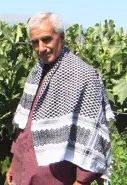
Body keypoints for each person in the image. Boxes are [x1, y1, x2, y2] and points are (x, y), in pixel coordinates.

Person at [6, 12, 114, 185]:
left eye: (46, 39)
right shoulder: (36, 72)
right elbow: (24, 127)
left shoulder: (83, 76)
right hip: (22, 175)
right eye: (35, 42)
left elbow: (93, 137)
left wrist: (81, 182)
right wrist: (13, 166)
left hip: (54, 180)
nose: (40, 48)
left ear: (61, 37)